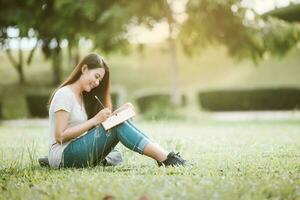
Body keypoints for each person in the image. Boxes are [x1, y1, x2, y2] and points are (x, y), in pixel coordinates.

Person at [47, 53, 186, 168]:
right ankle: (166, 159)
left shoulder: (82, 97)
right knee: (116, 134)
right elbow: (60, 136)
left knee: (118, 135)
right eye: (96, 77)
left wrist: (118, 113)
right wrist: (94, 120)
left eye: (100, 80)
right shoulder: (64, 94)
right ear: (84, 69)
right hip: (63, 156)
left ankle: (166, 156)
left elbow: (98, 129)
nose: (97, 83)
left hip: (77, 149)